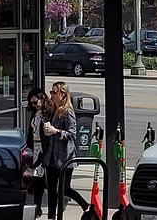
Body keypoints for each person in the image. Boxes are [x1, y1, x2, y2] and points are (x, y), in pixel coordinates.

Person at [43, 81, 90, 220]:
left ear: (62, 94)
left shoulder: (67, 111)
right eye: (51, 92)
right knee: (51, 189)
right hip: (52, 156)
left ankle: (85, 205)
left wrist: (55, 131)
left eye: (54, 92)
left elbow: (72, 134)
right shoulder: (54, 110)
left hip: (65, 157)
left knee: (64, 188)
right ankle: (51, 216)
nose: (51, 95)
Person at [25, 87, 50, 218]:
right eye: (32, 103)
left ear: (42, 98)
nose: (34, 105)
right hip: (34, 147)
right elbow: (31, 132)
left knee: (39, 177)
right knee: (37, 179)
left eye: (36, 102)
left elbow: (48, 134)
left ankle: (40, 207)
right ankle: (38, 207)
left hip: (42, 148)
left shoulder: (47, 113)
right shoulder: (35, 114)